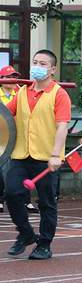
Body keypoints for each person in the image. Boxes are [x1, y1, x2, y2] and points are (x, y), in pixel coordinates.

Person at [4, 50, 71, 259]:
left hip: (46, 157)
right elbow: (5, 116)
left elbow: (62, 126)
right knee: (12, 194)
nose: (37, 66)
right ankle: (25, 234)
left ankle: (45, 244)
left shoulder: (59, 94)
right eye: (35, 62)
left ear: (52, 69)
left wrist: (55, 155)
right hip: (21, 155)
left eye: (42, 63)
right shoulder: (22, 92)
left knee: (46, 202)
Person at [0, 65, 21, 214]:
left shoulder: (21, 92)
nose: (11, 80)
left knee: (14, 167)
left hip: (16, 135)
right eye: (8, 77)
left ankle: (23, 200)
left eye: (14, 76)